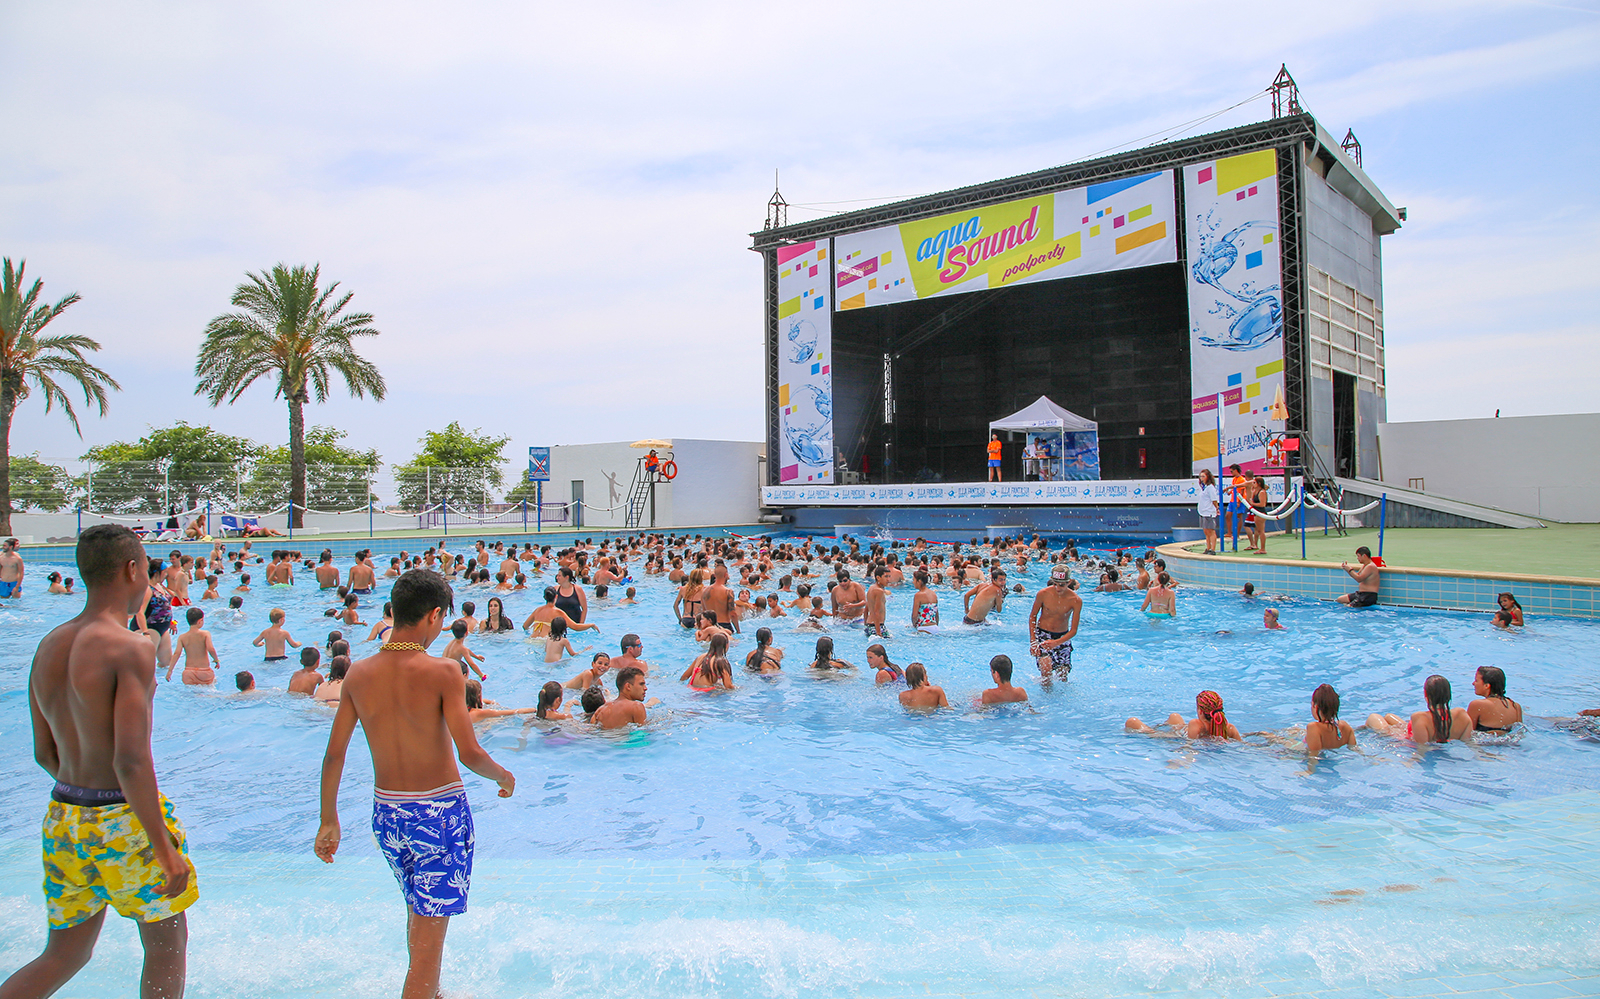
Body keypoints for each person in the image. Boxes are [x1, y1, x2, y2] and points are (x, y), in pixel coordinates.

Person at [0, 526, 197, 999]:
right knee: (167, 945)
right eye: (147, 569)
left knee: (64, 954)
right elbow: (130, 760)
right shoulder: (130, 648)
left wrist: (85, 798)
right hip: (124, 818)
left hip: (64, 816)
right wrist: (162, 847)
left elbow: (43, 753)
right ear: (132, 570)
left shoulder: (50, 644)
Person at [315, 569, 516, 999]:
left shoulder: (358, 674)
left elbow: (334, 754)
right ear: (434, 616)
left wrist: (328, 819)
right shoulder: (444, 671)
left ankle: (433, 991)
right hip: (438, 816)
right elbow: (469, 754)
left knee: (417, 912)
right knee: (428, 950)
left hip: (387, 816)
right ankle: (426, 989)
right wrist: (504, 775)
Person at [1366, 675, 1472, 744]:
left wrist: (1410, 761)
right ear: (1448, 695)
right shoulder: (1461, 714)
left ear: (1426, 694)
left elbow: (1420, 746)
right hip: (1425, 731)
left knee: (1374, 717)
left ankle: (1361, 731)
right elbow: (1468, 741)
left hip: (1406, 738)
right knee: (1389, 716)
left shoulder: (1419, 717)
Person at [1028, 565, 1081, 682]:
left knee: (1063, 676)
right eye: (1054, 584)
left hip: (1062, 637)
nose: (1057, 588)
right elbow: (1032, 616)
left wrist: (1056, 643)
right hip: (1042, 635)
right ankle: (1046, 698)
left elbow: (1073, 631)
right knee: (1046, 673)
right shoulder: (1043, 594)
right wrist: (1033, 641)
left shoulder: (1075, 600)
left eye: (1061, 585)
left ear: (1069, 582)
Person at [1125, 690, 1241, 740]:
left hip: (1175, 736)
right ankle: (1160, 725)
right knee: (1174, 716)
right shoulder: (1229, 727)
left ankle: (1155, 729)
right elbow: (1242, 743)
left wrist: (1182, 760)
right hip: (1182, 730)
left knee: (1132, 721)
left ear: (1200, 711)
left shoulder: (1196, 724)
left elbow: (1189, 745)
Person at [169, 607, 221, 685]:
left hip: (188, 673)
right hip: (204, 672)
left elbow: (176, 654)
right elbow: (211, 649)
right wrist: (216, 660)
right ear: (200, 621)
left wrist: (170, 670)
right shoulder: (205, 634)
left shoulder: (182, 637)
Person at [1304, 684, 1357, 757]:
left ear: (1315, 706)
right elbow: (1355, 749)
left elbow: (1313, 757)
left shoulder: (1314, 727)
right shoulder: (1346, 727)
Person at [1466, 666, 1523, 733]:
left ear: (1487, 686)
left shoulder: (1477, 705)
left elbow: (1467, 734)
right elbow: (1519, 734)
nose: (1473, 683)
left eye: (1476, 680)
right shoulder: (1516, 707)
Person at [1196, 469, 1221, 555]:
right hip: (1203, 512)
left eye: (1203, 476)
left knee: (1211, 531)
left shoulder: (1210, 488)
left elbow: (1214, 500)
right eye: (1200, 476)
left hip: (1209, 512)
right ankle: (1208, 547)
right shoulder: (1204, 487)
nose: (1201, 478)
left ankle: (1213, 549)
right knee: (1206, 531)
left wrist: (1217, 508)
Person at [864, 567, 891, 638]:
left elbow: (866, 608)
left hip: (870, 626)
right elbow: (876, 612)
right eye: (886, 576)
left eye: (889, 576)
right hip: (877, 626)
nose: (888, 579)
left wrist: (865, 625)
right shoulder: (879, 591)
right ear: (878, 578)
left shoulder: (871, 587)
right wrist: (879, 633)